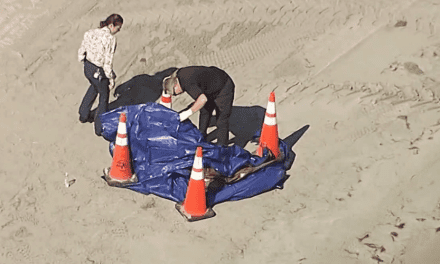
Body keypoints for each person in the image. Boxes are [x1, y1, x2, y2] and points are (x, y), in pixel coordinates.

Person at [163, 66, 235, 146]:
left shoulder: (187, 83)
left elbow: (202, 99)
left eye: (174, 93)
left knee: (221, 120)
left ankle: (222, 147)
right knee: (205, 111)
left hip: (223, 87)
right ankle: (201, 136)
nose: (176, 95)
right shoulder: (178, 75)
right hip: (209, 84)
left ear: (175, 85)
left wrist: (186, 114)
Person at [77, 14, 123, 136]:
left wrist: (84, 61)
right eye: (118, 28)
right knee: (104, 96)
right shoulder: (110, 39)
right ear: (112, 25)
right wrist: (111, 79)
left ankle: (83, 114)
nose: (118, 31)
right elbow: (107, 63)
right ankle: (99, 127)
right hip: (99, 71)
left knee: (94, 86)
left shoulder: (91, 32)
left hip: (88, 68)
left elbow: (81, 51)